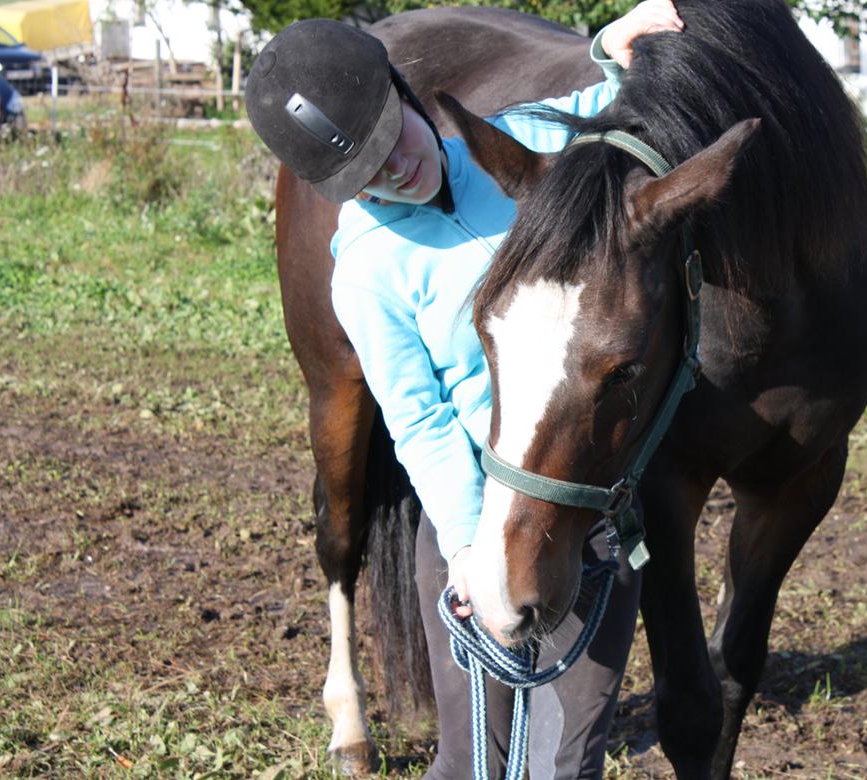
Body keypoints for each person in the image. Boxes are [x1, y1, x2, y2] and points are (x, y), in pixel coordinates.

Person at [246, 3, 683, 778]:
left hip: (581, 501)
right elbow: (415, 418)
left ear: (408, 96)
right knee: (470, 759)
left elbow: (590, 114)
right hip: (477, 513)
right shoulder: (371, 268)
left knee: (569, 758)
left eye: (393, 139)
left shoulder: (517, 151)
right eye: (366, 175)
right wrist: (464, 544)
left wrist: (613, 46)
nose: (395, 171)